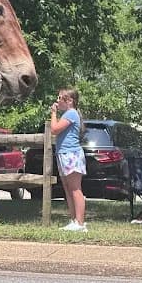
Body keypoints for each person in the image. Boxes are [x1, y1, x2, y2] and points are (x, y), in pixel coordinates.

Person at [50, 87, 87, 232]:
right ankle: (74, 220)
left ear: (70, 101)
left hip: (72, 154)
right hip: (64, 154)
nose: (57, 101)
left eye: (60, 98)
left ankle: (80, 222)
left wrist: (53, 113)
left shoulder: (71, 113)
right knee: (68, 188)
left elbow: (54, 129)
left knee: (75, 189)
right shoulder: (68, 113)